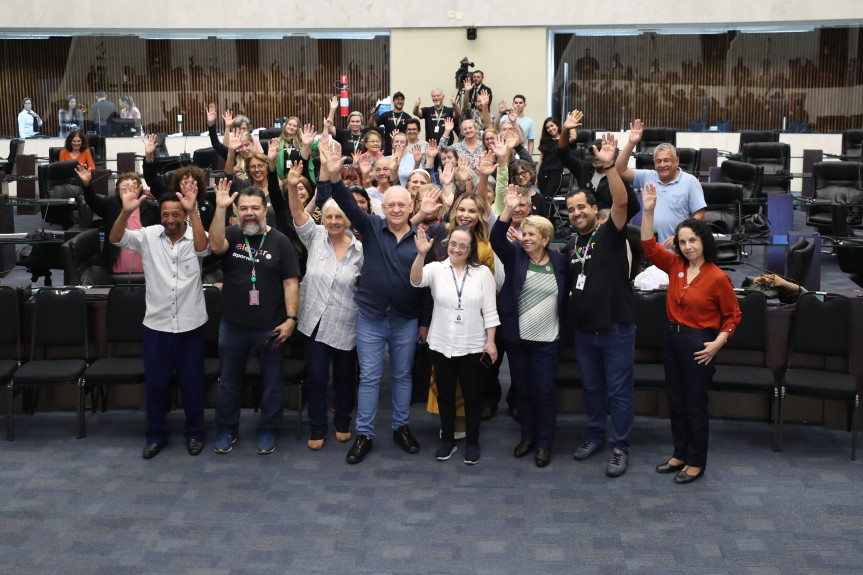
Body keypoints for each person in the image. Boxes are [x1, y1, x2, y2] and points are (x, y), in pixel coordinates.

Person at [330, 150, 430, 464]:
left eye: (402, 204)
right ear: (382, 208)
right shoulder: (371, 226)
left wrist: (424, 322)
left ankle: (401, 427)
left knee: (402, 377)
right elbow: (345, 201)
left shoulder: (423, 238)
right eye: (391, 205)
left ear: (411, 207)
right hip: (372, 318)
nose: (397, 209)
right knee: (370, 378)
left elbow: (428, 285)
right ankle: (364, 434)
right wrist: (334, 174)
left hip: (405, 319)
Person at [640, 182, 741, 484]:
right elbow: (648, 245)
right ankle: (680, 453)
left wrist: (717, 344)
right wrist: (648, 211)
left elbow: (733, 315)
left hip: (699, 343)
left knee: (695, 404)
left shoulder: (717, 277)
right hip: (672, 340)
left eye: (692, 241)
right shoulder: (675, 266)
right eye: (682, 242)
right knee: (676, 401)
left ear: (703, 241)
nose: (687, 247)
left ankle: (697, 460)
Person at [108, 168, 209, 459]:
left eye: (176, 214)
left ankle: (195, 434)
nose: (170, 219)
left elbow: (204, 249)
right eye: (166, 215)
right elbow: (116, 238)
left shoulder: (194, 235)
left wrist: (194, 215)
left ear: (183, 214)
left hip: (190, 326)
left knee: (192, 384)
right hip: (156, 327)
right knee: (156, 385)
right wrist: (126, 213)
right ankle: (155, 435)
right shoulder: (149, 236)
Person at [208, 182, 301, 455]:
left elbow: (291, 284)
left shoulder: (281, 241)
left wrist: (291, 318)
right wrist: (220, 208)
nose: (250, 213)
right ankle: (226, 429)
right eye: (244, 208)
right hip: (232, 326)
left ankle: (268, 429)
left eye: (255, 208)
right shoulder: (232, 234)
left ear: (265, 210)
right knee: (228, 382)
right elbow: (214, 246)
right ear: (236, 211)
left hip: (270, 327)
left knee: (272, 384)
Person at [564, 134, 637, 478]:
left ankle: (620, 447)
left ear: (594, 209)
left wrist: (609, 167)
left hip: (616, 328)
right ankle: (595, 436)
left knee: (618, 391)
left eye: (582, 207)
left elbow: (621, 203)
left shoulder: (610, 232)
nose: (577, 213)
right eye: (571, 209)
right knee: (592, 388)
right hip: (584, 331)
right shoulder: (570, 246)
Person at [286, 143, 363, 450]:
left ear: (347, 220)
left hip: (346, 322)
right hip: (314, 322)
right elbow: (295, 213)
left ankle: (342, 422)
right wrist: (293, 187)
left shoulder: (361, 249)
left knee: (345, 378)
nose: (333, 221)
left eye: (339, 218)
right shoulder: (314, 236)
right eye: (329, 217)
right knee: (317, 378)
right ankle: (318, 428)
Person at [490, 187, 569, 468]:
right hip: (518, 339)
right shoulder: (515, 257)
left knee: (544, 392)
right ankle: (527, 437)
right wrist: (509, 209)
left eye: (531, 234)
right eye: (524, 233)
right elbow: (495, 237)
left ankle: (545, 444)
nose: (525, 238)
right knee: (522, 390)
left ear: (546, 239)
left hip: (548, 339)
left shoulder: (560, 262)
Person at [411, 225, 499, 465]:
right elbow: (416, 281)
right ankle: (447, 439)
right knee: (445, 395)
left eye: (463, 245)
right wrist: (420, 254)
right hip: (441, 343)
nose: (456, 249)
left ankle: (472, 440)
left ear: (470, 250)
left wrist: (491, 342)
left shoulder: (482, 274)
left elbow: (490, 311)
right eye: (453, 244)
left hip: (472, 344)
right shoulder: (436, 269)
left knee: (472, 396)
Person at [616, 119, 705, 247]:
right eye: (658, 161)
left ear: (677, 161)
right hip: (651, 250)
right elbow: (620, 169)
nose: (662, 165)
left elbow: (700, 215)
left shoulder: (690, 181)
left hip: (679, 250)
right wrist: (631, 142)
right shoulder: (647, 176)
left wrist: (682, 237)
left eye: (666, 160)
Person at [557, 110, 641, 223]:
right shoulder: (584, 169)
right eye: (592, 153)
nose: (595, 156)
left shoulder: (617, 175)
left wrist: (614, 221)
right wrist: (565, 130)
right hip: (584, 226)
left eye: (599, 152)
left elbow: (634, 207)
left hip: (610, 230)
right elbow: (563, 153)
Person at [77, 167, 159, 276]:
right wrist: (87, 185)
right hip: (116, 272)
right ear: (118, 190)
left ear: (138, 189)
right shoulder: (110, 204)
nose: (127, 190)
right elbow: (93, 201)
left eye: (131, 187)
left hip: (147, 273)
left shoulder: (150, 208)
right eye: (123, 187)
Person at [369, 91, 412, 156]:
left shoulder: (408, 117)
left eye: (402, 100)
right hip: (388, 151)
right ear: (393, 101)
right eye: (398, 99)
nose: (400, 101)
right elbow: (371, 126)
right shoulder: (386, 115)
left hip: (402, 151)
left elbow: (411, 133)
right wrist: (373, 116)